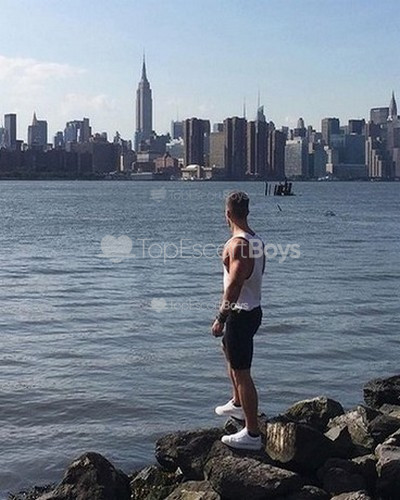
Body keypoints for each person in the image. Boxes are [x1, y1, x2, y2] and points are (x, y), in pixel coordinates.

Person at [211, 191, 265, 450]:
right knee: (228, 350)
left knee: (243, 372)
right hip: (252, 309)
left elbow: (234, 284)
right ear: (247, 212)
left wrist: (221, 317)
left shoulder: (238, 244)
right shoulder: (255, 240)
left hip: (241, 313)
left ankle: (252, 434)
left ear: (228, 214)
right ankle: (237, 403)